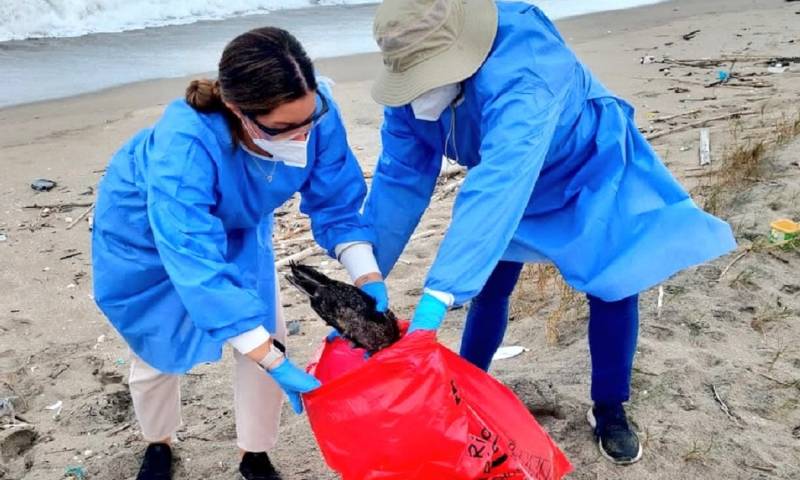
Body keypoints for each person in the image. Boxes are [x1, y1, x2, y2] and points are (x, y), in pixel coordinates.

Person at [363, 0, 736, 465]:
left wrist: (437, 296)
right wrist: (367, 275)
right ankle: (469, 388)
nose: (418, 92)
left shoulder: (527, 67)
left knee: (613, 283)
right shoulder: (410, 89)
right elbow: (400, 178)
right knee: (491, 285)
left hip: (586, 166)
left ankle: (609, 407)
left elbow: (498, 184)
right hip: (508, 171)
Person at [92, 27, 387, 480]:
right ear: (236, 109)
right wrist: (267, 358)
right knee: (156, 340)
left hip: (238, 216)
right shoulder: (185, 146)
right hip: (148, 226)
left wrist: (366, 273)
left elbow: (336, 200)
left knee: (267, 327)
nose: (304, 135)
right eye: (285, 129)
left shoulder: (313, 110)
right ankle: (159, 441)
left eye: (310, 119)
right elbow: (194, 260)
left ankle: (255, 452)